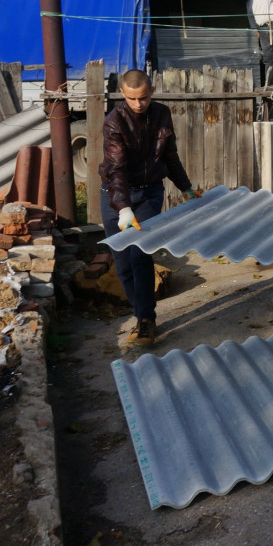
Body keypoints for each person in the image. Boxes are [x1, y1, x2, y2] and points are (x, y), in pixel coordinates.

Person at [99, 70, 200, 347]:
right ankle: (141, 314)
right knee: (122, 265)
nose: (138, 104)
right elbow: (116, 169)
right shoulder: (114, 122)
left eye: (143, 98)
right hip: (115, 196)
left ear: (151, 91)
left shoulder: (161, 114)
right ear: (123, 93)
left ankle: (146, 321)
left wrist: (185, 187)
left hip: (149, 194)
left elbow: (169, 155)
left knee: (140, 255)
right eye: (132, 99)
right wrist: (122, 208)